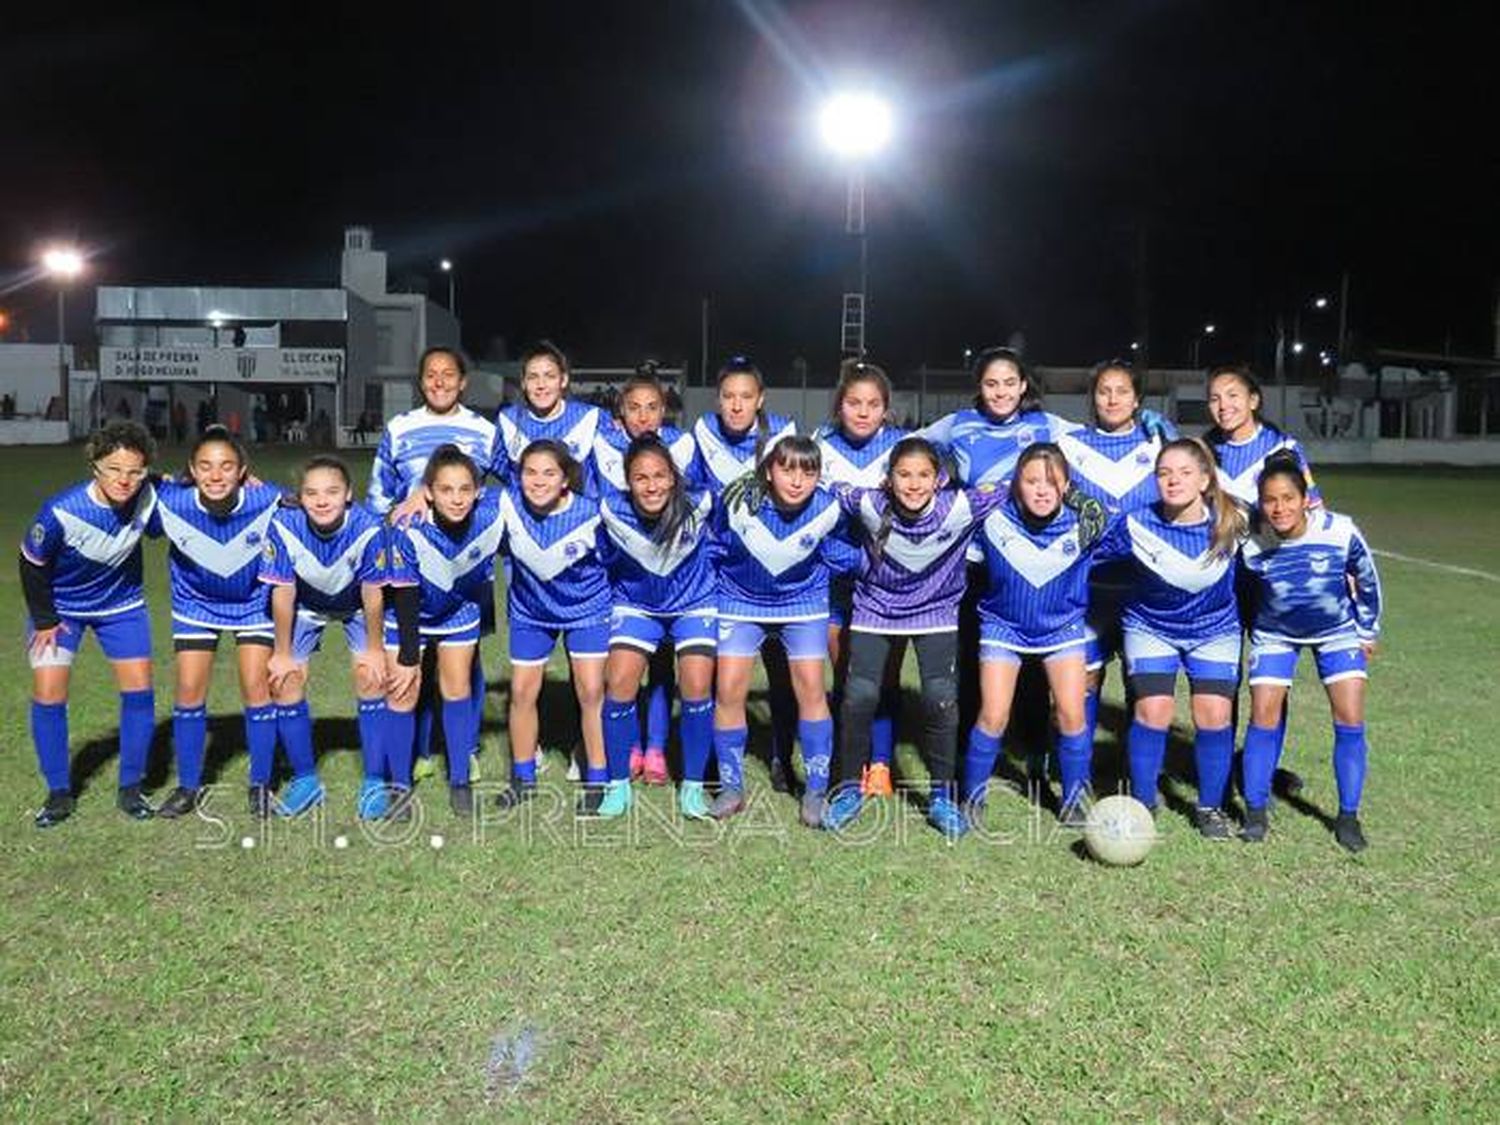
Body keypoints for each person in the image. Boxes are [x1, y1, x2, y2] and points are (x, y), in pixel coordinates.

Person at [821, 437, 1007, 836]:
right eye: (904, 475)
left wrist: (1074, 497)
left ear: (939, 479)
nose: (913, 484)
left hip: (935, 612)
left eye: (923, 475)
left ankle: (941, 795)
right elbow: (826, 485)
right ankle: (849, 787)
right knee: (859, 696)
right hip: (876, 609)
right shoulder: (870, 504)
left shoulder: (960, 506)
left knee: (940, 699)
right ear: (888, 479)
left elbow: (1021, 484)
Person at [1095, 438, 1248, 839]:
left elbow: (1279, 550)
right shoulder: (1135, 523)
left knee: (1213, 715)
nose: (1173, 480)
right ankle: (1144, 804)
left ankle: (1210, 807)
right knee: (1153, 712)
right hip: (1150, 628)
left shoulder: (1233, 522)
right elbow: (1084, 555)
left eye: (1183, 472)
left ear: (1204, 480)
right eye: (1164, 473)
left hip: (1215, 631)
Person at [960, 444, 1113, 832]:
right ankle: (971, 797)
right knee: (994, 715)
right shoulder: (992, 521)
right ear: (1016, 485)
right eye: (1031, 481)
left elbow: (1104, 513)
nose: (1042, 490)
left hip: (1061, 629)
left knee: (1072, 713)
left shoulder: (1086, 522)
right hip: (1003, 627)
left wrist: (1071, 491)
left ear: (1067, 486)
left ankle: (1074, 799)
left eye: (1052, 482)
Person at [1238, 453, 1382, 851]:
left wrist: (1367, 630)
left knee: (1349, 716)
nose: (1279, 508)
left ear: (1306, 499)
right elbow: (1243, 591)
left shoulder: (1339, 531)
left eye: (1288, 498)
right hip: (1274, 635)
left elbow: (1366, 578)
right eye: (1270, 500)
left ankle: (1348, 817)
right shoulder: (1252, 543)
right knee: (1263, 714)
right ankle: (1254, 812)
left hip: (1337, 632)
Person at [368, 346, 497, 784]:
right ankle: (419, 751)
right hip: (412, 559)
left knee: (466, 659)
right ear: (420, 382)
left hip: (467, 561)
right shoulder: (400, 428)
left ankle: (466, 749)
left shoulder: (483, 430)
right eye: (430, 375)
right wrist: (402, 508)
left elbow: (510, 486)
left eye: (448, 375)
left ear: (463, 381)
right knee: (411, 653)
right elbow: (377, 496)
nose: (439, 382)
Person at [22, 421, 160, 827]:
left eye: (135, 471)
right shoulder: (62, 511)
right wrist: (46, 618)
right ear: (95, 466)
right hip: (59, 609)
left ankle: (131, 788)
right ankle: (59, 793)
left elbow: (197, 495)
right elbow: (30, 563)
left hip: (121, 607)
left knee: (139, 690)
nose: (125, 480)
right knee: (49, 692)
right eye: (114, 469)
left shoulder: (149, 498)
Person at [151, 427, 293, 820]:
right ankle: (188, 786)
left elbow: (317, 503)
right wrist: (158, 478)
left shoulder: (266, 498)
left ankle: (261, 783)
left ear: (243, 471)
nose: (216, 476)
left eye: (227, 466)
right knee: (189, 690)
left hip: (253, 604)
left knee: (255, 687)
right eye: (206, 467)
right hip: (195, 605)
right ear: (192, 471)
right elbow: (128, 487)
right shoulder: (171, 502)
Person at [712, 435, 840, 827]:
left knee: (811, 689)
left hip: (803, 604)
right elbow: (714, 544)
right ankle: (731, 787)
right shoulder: (739, 502)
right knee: (730, 688)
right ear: (769, 471)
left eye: (808, 471)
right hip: (740, 601)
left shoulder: (829, 508)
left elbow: (846, 552)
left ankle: (816, 791)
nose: (797, 480)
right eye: (787, 469)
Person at [1056, 359, 1178, 756]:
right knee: (1084, 681)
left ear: (1138, 397)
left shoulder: (1159, 444)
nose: (1112, 399)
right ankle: (1079, 769)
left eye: (1122, 390)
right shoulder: (1070, 446)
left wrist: (1171, 439)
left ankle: (1136, 770)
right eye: (1104, 390)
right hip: (1087, 587)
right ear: (1092, 397)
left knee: (1141, 686)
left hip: (1145, 590)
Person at [691, 356, 801, 792]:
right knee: (725, 673)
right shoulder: (702, 431)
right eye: (728, 397)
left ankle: (781, 757)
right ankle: (720, 762)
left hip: (774, 571)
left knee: (781, 670)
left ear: (761, 400)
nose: (736, 406)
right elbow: (691, 491)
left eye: (746, 397)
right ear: (719, 399)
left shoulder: (782, 433)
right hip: (722, 570)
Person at [261, 456, 390, 819]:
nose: (322, 501)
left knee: (371, 675)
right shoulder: (284, 525)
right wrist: (283, 653)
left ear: (348, 494)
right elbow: (283, 592)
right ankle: (305, 780)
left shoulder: (367, 527)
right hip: (306, 605)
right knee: (283, 680)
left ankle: (375, 780)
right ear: (299, 497)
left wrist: (376, 650)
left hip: (357, 607)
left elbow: (373, 594)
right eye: (312, 493)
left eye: (332, 492)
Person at [597, 436, 719, 819]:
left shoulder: (702, 503)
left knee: (697, 684)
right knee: (618, 683)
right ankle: (617, 784)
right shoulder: (610, 509)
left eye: (659, 476)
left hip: (694, 603)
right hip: (638, 606)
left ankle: (694, 787)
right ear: (627, 482)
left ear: (673, 478)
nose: (651, 486)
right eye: (640, 478)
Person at [383, 446, 505, 817]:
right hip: (408, 616)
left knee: (457, 689)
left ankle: (459, 782)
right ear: (430, 492)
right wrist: (407, 656)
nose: (456, 498)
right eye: (446, 490)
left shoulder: (490, 515)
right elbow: (403, 593)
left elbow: (529, 486)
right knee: (402, 693)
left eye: (465, 489)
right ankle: (398, 786)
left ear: (478, 491)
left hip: (458, 612)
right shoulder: (408, 526)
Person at [496, 441, 614, 815]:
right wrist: (419, 493)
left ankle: (597, 777)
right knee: (521, 691)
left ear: (565, 479)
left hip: (587, 610)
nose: (538, 481)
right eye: (530, 472)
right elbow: (460, 497)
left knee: (592, 691)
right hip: (531, 611)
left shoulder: (593, 513)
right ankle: (522, 776)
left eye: (549, 473)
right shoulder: (507, 505)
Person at [592, 369, 698, 784]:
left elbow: (696, 497)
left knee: (662, 669)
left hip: (670, 575)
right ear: (620, 412)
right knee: (623, 669)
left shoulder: (682, 445)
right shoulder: (605, 444)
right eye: (633, 408)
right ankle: (628, 745)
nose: (643, 416)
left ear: (664, 410)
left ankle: (655, 747)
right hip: (622, 575)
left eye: (652, 407)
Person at [815, 359, 908, 798]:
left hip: (888, 581)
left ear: (886, 408)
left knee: (885, 676)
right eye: (854, 403)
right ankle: (847, 759)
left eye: (873, 404)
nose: (863, 412)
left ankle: (883, 764)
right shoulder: (821, 444)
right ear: (840, 405)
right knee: (845, 673)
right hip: (836, 577)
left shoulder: (903, 446)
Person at [492, 340, 608, 493]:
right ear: (523, 383)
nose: (541, 385)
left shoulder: (591, 417)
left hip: (579, 513)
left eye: (550, 376)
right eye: (533, 377)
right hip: (525, 514)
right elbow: (500, 467)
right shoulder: (508, 420)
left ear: (563, 380)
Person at [1205, 362, 1321, 510]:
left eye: (1232, 395)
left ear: (1253, 401)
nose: (1223, 406)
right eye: (1215, 399)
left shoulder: (1284, 447)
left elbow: (1314, 507)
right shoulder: (1202, 452)